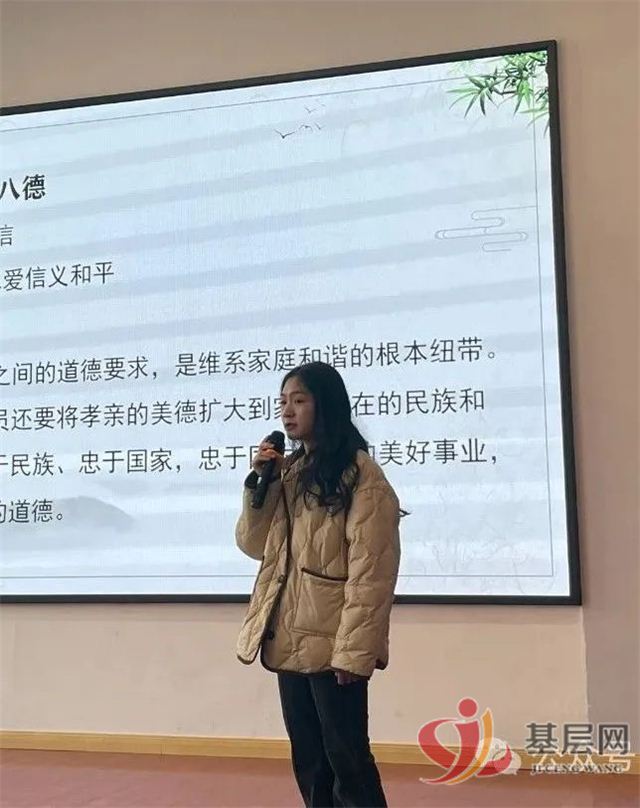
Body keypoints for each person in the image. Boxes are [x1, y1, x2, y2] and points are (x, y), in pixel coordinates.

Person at [235, 361, 401, 808]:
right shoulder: (288, 472)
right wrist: (260, 484)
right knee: (310, 762)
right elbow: (254, 544)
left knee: (348, 761)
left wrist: (354, 650)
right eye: (283, 402)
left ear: (325, 405)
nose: (287, 412)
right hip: (289, 636)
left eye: (299, 400)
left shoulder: (361, 475)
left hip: (334, 643)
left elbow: (373, 571)